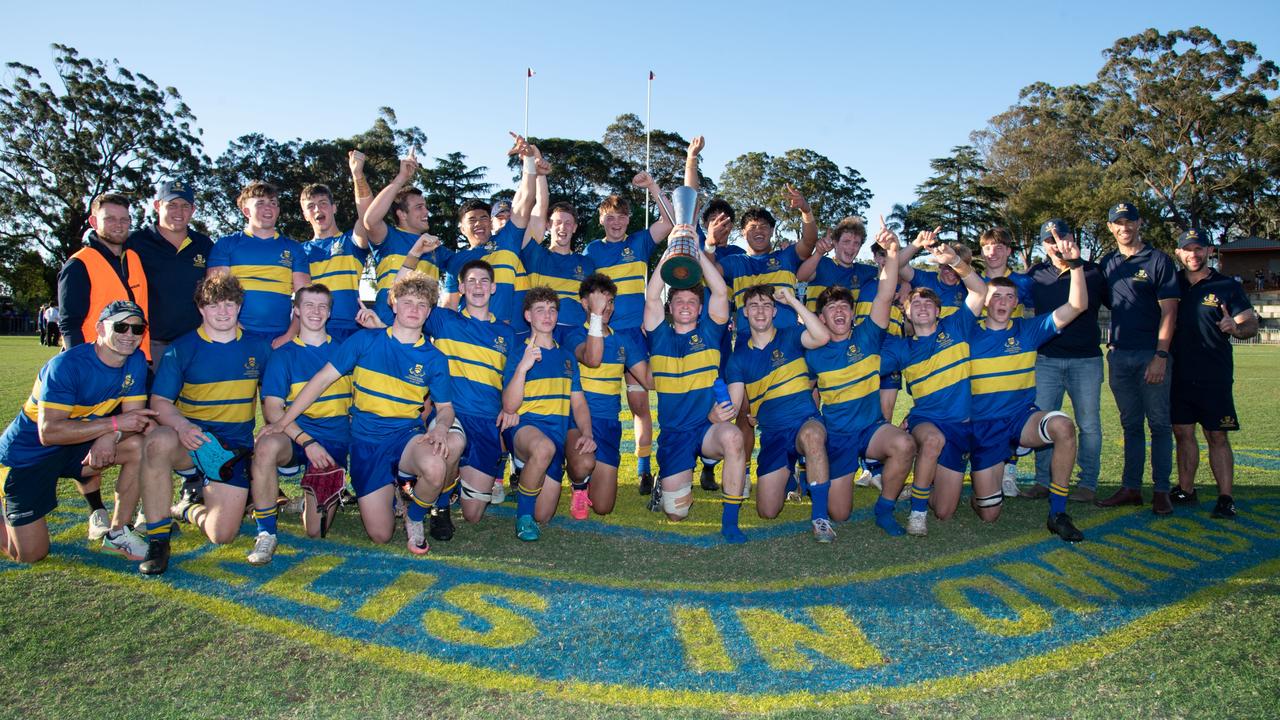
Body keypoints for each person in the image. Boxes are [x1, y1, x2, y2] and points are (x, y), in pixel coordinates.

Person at [265, 272, 462, 556]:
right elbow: (320, 381)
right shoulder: (364, 341)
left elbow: (445, 409)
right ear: (393, 304)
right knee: (381, 535)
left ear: (430, 311)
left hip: (406, 436)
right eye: (407, 302)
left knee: (435, 465)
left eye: (421, 305)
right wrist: (283, 421)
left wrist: (441, 428)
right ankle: (393, 491)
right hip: (366, 442)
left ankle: (415, 516)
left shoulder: (434, 358)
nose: (414, 310)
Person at [136, 275, 273, 574]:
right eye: (214, 305)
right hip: (191, 442)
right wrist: (183, 427)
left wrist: (274, 425)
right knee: (157, 441)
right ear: (200, 308)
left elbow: (272, 397)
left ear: (239, 306)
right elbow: (159, 402)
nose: (223, 312)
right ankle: (158, 539)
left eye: (229, 304)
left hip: (232, 449)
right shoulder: (182, 348)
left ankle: (187, 508)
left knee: (221, 535)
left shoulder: (259, 348)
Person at [0, 301, 154, 564]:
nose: (130, 335)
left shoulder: (136, 360)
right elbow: (49, 433)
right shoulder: (66, 365)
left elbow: (134, 421)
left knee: (140, 446)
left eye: (137, 329)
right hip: (27, 456)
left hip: (74, 447)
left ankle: (118, 532)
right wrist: (112, 426)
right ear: (99, 328)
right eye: (121, 326)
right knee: (30, 554)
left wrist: (111, 436)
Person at [968, 225, 1088, 542]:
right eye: (996, 296)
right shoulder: (968, 334)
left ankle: (1058, 512)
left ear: (1017, 301)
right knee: (989, 515)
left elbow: (1076, 306)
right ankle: (980, 490)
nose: (1003, 301)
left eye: (1010, 296)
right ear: (985, 301)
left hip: (1022, 418)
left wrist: (1076, 265)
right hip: (984, 427)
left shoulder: (1028, 329)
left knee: (1063, 426)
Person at [805, 219, 917, 536]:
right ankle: (826, 471)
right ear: (821, 317)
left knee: (904, 444)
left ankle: (885, 509)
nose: (839, 312)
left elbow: (884, 294)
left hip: (870, 429)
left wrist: (893, 252)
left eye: (844, 307)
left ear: (853, 314)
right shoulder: (813, 352)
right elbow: (809, 391)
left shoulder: (867, 336)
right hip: (838, 436)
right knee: (840, 513)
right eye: (831, 309)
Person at [644, 233, 749, 542]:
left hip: (706, 427)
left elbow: (718, 291)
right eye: (679, 301)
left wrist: (696, 249)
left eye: (692, 301)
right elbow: (651, 298)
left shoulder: (710, 331)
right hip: (674, 433)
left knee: (732, 437)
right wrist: (671, 253)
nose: (686, 306)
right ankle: (669, 480)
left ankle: (730, 522)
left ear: (700, 309)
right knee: (676, 514)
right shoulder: (658, 334)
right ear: (670, 307)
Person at [881, 236, 987, 536]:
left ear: (939, 311)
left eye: (929, 303)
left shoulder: (957, 327)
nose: (923, 307)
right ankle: (916, 512)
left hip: (962, 425)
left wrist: (954, 260)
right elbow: (867, 369)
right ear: (906, 312)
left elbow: (980, 290)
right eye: (916, 303)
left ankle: (924, 479)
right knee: (931, 441)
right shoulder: (901, 348)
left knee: (944, 511)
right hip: (927, 420)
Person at [584, 174, 674, 498]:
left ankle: (643, 470)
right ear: (602, 220)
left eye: (622, 216)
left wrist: (652, 188)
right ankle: (588, 469)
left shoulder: (638, 242)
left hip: (634, 338)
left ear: (628, 220)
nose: (617, 221)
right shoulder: (592, 250)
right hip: (603, 338)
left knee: (640, 405)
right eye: (611, 216)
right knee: (599, 405)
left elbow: (671, 221)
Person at [253, 284, 352, 562]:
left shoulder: (345, 350)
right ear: (296, 310)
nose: (315, 312)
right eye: (308, 305)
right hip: (297, 435)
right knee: (266, 446)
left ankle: (307, 493)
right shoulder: (283, 354)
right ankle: (266, 532)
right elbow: (272, 408)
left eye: (322, 306)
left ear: (330, 312)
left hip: (334, 438)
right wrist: (306, 442)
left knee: (315, 531)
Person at [726, 284, 832, 539]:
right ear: (745, 314)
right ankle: (791, 475)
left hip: (804, 421)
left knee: (813, 437)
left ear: (774, 311)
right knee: (767, 511)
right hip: (773, 434)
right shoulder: (738, 358)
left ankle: (820, 519)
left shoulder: (792, 335)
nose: (760, 311)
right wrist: (718, 411)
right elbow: (734, 403)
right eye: (754, 306)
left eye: (766, 305)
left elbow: (822, 337)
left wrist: (793, 301)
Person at [1096, 202, 1180, 514]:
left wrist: (1161, 354)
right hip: (1119, 355)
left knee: (1159, 424)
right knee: (1130, 424)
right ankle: (1131, 487)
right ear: (1110, 227)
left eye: (1129, 221)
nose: (1124, 227)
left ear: (1139, 223)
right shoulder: (1108, 263)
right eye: (1118, 223)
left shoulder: (1158, 260)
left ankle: (1160, 490)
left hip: (1151, 354)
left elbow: (1170, 311)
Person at [1170, 229, 1258, 518]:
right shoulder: (1171, 285)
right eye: (1187, 249)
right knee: (1183, 433)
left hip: (1214, 374)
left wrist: (1236, 327)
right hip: (1179, 374)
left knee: (1217, 435)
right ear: (1178, 253)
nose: (1193, 255)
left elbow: (1250, 326)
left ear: (1209, 251)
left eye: (1199, 249)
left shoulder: (1226, 286)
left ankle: (1225, 497)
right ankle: (1186, 489)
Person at [1021, 219, 1109, 503]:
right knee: (1043, 421)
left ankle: (1087, 484)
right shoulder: (1036, 274)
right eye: (1049, 240)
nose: (1055, 244)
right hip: (1047, 360)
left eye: (1061, 237)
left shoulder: (1094, 272)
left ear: (1072, 238)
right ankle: (1043, 481)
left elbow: (1122, 305)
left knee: (1089, 424)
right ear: (1042, 245)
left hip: (1086, 360)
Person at [501, 287, 594, 540]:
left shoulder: (566, 357)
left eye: (552, 310)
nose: (547, 315)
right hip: (525, 429)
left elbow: (579, 402)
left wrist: (587, 433)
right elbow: (509, 406)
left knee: (544, 515)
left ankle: (529, 472)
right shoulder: (518, 353)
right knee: (542, 449)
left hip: (556, 436)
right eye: (540, 310)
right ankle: (523, 518)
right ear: (528, 316)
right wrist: (523, 368)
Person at [561, 274, 649, 518]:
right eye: (600, 301)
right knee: (582, 465)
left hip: (609, 424)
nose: (606, 307)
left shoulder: (623, 341)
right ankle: (578, 484)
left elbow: (649, 380)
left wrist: (661, 337)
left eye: (610, 301)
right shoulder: (574, 336)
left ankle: (587, 480)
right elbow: (593, 358)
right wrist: (597, 317)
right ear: (584, 303)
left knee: (603, 507)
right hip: (577, 422)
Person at [208, 181, 310, 347]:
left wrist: (290, 335)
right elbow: (216, 295)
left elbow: (305, 298)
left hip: (281, 339)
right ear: (246, 210)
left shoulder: (294, 248)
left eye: (273, 203)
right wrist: (237, 332)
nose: (268, 208)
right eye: (260, 203)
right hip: (235, 336)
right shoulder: (226, 245)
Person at [362, 150, 455, 325]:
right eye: (419, 207)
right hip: (385, 326)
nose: (426, 212)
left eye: (425, 206)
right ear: (402, 214)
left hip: (422, 332)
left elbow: (467, 264)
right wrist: (401, 178)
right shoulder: (389, 237)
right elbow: (370, 220)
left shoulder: (436, 247)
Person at [126, 180, 214, 364]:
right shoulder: (135, 242)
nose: (179, 212)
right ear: (158, 206)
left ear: (193, 210)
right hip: (148, 345)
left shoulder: (204, 245)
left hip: (194, 344)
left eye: (185, 206)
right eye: (172, 205)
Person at [58, 192, 152, 361]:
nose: (118, 225)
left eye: (124, 220)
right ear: (94, 222)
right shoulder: (79, 264)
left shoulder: (134, 258)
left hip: (134, 362)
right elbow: (69, 324)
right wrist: (80, 366)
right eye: (110, 219)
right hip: (94, 362)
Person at [299, 151, 373, 342]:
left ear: (334, 208)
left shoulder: (350, 241)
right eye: (311, 206)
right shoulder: (298, 252)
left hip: (351, 330)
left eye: (323, 203)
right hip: (313, 333)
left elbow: (368, 217)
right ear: (305, 215)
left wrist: (357, 175)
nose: (317, 209)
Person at [798, 217, 879, 313]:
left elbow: (894, 273)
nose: (851, 247)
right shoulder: (821, 263)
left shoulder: (864, 271)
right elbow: (801, 276)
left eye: (856, 243)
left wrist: (902, 286)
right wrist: (818, 253)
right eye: (846, 241)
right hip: (815, 325)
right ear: (835, 243)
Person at [897, 226, 970, 318]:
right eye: (948, 266)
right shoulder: (926, 279)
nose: (953, 272)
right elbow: (898, 266)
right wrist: (917, 244)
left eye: (957, 267)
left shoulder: (968, 286)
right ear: (940, 264)